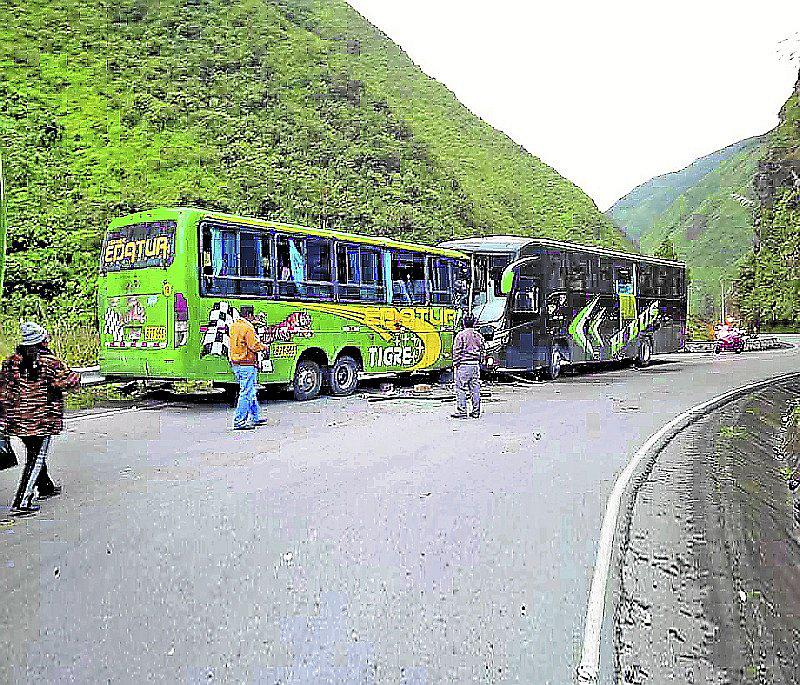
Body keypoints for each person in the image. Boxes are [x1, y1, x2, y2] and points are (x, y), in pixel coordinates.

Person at [1, 322, 80, 517]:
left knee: (33, 452)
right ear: (41, 341)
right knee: (36, 458)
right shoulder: (49, 362)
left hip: (17, 420)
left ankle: (45, 486)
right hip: (41, 419)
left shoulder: (11, 362)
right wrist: (75, 377)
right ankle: (22, 502)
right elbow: (68, 380)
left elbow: (3, 391)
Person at [229, 305, 268, 430]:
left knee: (250, 390)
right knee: (246, 392)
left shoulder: (234, 325)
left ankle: (255, 417)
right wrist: (264, 347)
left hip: (236, 363)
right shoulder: (248, 328)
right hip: (247, 363)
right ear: (250, 315)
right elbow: (254, 346)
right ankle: (239, 421)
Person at [451, 314, 486, 419]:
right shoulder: (478, 336)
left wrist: (455, 363)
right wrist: (481, 360)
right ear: (474, 323)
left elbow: (457, 350)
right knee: (475, 388)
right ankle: (476, 411)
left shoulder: (460, 335)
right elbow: (483, 350)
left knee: (460, 388)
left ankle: (462, 411)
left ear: (463, 323)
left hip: (463, 365)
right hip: (475, 365)